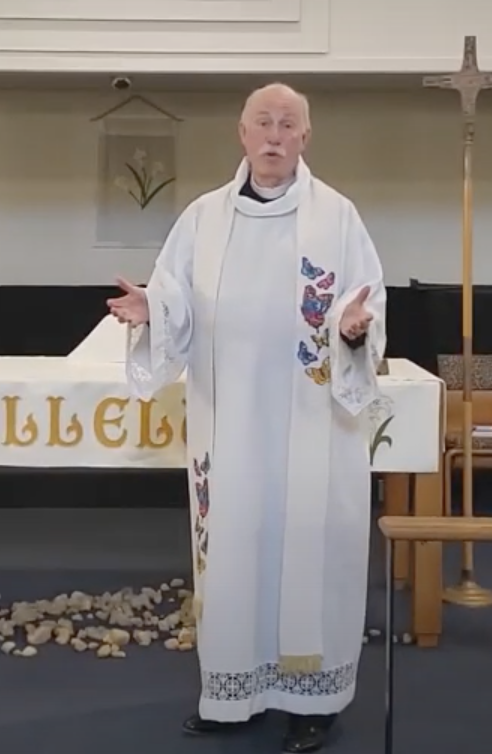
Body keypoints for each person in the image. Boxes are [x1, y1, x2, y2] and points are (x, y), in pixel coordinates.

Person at [108, 83, 386, 753]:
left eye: (288, 124)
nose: (274, 135)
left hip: (312, 425)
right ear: (242, 133)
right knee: (235, 552)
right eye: (263, 122)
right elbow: (175, 297)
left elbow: (363, 303)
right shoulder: (203, 218)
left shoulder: (338, 217)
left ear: (305, 137)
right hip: (229, 421)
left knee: (308, 550)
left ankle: (312, 703)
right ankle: (233, 694)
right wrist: (154, 311)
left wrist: (354, 331)